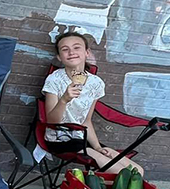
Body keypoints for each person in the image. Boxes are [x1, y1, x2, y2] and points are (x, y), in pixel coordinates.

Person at [42, 31, 143, 175]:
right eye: (65, 49)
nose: (71, 52)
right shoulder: (54, 80)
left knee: (137, 171)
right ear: (59, 57)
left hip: (82, 138)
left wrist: (97, 147)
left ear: (87, 53)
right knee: (121, 172)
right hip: (59, 139)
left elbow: (86, 120)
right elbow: (51, 121)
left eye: (77, 47)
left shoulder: (96, 83)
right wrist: (64, 100)